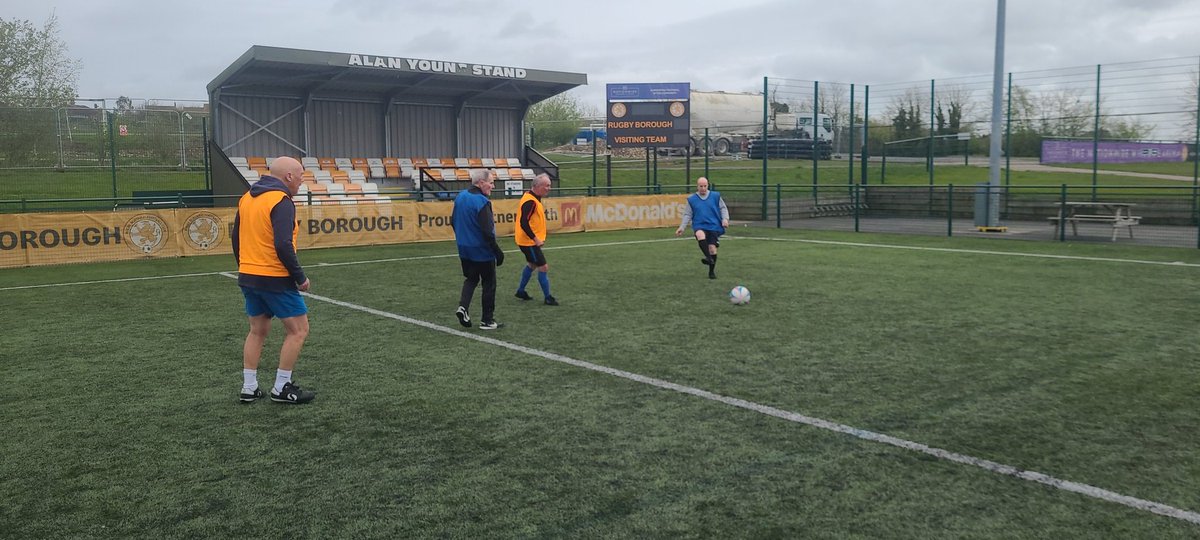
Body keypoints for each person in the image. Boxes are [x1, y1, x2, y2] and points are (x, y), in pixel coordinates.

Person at [232, 156, 315, 404]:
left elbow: (236, 238)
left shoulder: (247, 198)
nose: (301, 182)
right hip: (274, 277)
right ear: (288, 176)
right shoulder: (281, 200)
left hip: (248, 275)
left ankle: (249, 387)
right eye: (300, 176)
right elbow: (282, 243)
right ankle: (282, 387)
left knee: (257, 331)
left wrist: (246, 266)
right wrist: (300, 277)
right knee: (298, 330)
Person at [452, 168, 505, 330]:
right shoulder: (482, 202)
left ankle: (463, 307)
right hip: (481, 250)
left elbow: (452, 221)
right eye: (491, 183)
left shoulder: (460, 196)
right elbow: (487, 231)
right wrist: (497, 251)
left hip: (464, 248)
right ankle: (487, 320)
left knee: (471, 279)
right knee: (489, 283)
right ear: (481, 183)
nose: (492, 186)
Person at [514, 173, 558, 306]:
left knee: (532, 265)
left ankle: (521, 291)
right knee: (543, 267)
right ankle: (548, 297)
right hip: (529, 242)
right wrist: (535, 239)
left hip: (527, 241)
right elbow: (524, 222)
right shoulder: (530, 201)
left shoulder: (533, 198)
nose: (549, 188)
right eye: (547, 186)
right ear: (538, 186)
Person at [675, 176, 729, 279]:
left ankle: (711, 271)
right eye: (701, 186)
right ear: (697, 186)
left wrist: (725, 219)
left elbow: (723, 208)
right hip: (699, 224)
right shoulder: (692, 199)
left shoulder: (715, 196)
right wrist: (682, 227)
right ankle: (708, 258)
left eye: (705, 186)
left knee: (712, 249)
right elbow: (687, 214)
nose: (703, 188)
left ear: (708, 185)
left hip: (713, 225)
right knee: (700, 234)